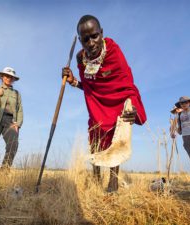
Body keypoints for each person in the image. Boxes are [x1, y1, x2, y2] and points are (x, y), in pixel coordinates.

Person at [62, 15, 147, 192]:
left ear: (101, 33)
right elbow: (89, 87)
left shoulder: (113, 51)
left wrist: (134, 108)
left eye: (94, 36)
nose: (91, 42)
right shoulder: (80, 59)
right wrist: (73, 81)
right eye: (85, 39)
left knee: (113, 139)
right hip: (95, 109)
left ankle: (113, 183)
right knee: (94, 140)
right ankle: (95, 179)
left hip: (116, 106)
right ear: (80, 41)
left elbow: (127, 85)